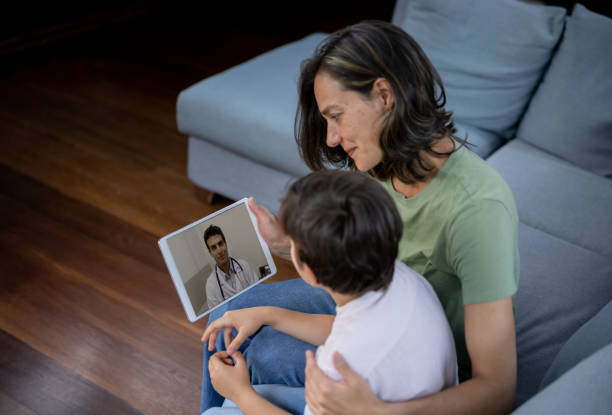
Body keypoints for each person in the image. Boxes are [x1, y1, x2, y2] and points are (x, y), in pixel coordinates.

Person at [200, 20, 519, 415]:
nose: (332, 137)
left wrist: (380, 413)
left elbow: (498, 389)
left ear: (384, 95)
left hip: (408, 366)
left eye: (336, 116)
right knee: (227, 315)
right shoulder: (377, 158)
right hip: (364, 306)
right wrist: (286, 244)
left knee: (246, 349)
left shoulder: (477, 210)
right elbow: (348, 260)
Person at [202, 170, 458, 415]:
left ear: (310, 273)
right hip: (407, 387)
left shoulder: (339, 368)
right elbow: (349, 327)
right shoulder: (402, 277)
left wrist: (240, 393)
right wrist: (268, 314)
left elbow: (350, 340)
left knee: (218, 411)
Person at [203, 225, 259, 309]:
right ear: (210, 252)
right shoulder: (211, 285)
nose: (219, 251)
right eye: (214, 248)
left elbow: (259, 292)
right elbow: (216, 316)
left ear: (225, 244)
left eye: (220, 244)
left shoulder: (244, 266)